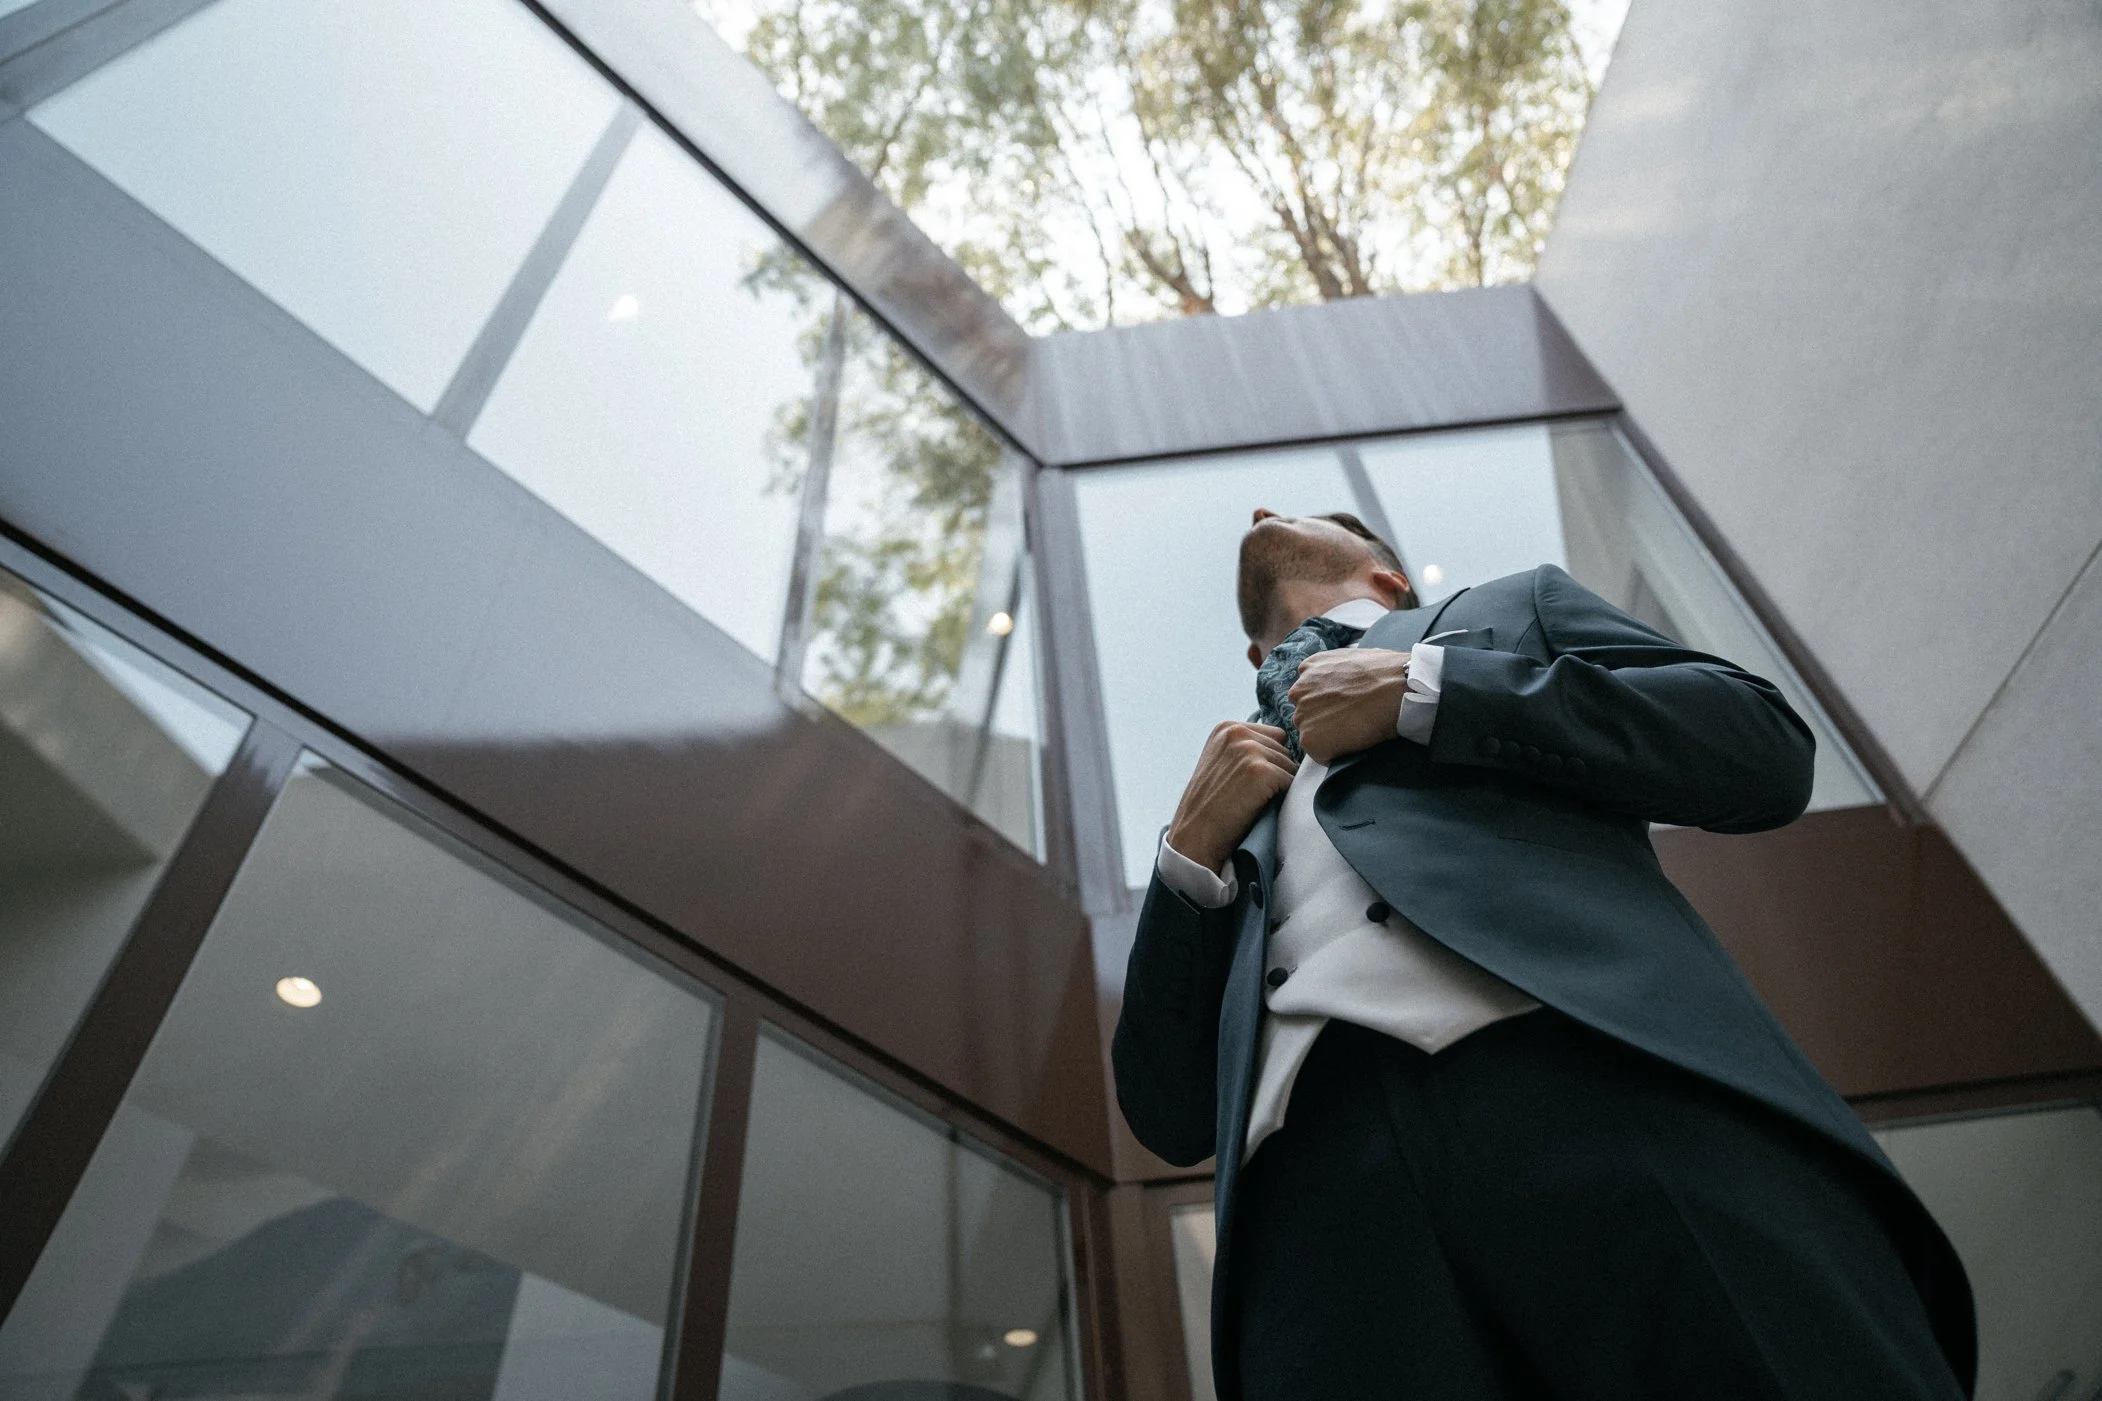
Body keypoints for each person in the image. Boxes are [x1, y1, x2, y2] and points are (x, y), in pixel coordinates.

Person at [1111, 509, 1975, 1400]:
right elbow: (1165, 1110)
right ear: (1256, 661)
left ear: (1389, 579)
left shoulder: (1512, 609)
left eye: (1322, 517)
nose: (1260, 514)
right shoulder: (1227, 792)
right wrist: (1186, 858)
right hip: (1316, 1224)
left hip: (1598, 1090)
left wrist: (1427, 688)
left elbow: (1761, 746)